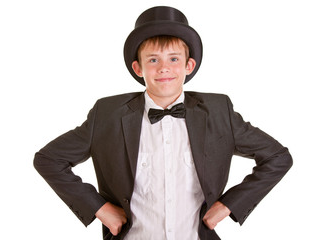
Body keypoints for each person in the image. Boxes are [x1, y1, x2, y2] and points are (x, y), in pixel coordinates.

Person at [34, 6, 293, 240]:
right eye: (153, 60)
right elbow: (49, 159)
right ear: (138, 68)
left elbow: (278, 157)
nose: (163, 68)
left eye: (174, 59)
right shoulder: (108, 114)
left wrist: (228, 205)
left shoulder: (217, 111)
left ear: (189, 65)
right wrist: (100, 209)